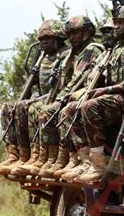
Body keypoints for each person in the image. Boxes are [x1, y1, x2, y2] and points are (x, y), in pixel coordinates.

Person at [59, 5, 124, 184]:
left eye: (121, 23)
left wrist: (107, 90)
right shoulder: (115, 48)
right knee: (70, 109)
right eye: (116, 23)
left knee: (90, 106)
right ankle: (85, 161)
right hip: (114, 96)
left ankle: (99, 165)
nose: (116, 27)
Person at [0, 19, 69, 175]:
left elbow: (65, 86)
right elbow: (34, 86)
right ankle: (16, 155)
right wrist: (33, 96)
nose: (44, 42)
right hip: (42, 96)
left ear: (58, 38)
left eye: (48, 38)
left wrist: (38, 99)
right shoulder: (42, 58)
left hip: (56, 98)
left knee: (33, 109)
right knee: (9, 107)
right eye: (41, 39)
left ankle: (39, 156)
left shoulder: (66, 56)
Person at [34, 16, 105, 178]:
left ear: (86, 33)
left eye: (74, 33)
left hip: (88, 96)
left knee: (60, 110)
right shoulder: (77, 52)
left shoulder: (91, 50)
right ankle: (55, 159)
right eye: (69, 33)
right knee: (51, 109)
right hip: (79, 96)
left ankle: (74, 160)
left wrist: (61, 98)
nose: (70, 37)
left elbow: (76, 82)